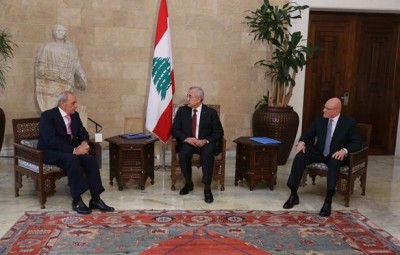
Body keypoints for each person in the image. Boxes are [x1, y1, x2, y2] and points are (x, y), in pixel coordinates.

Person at [37, 91, 114, 214]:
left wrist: (84, 143)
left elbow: (83, 132)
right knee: (72, 159)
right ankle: (77, 200)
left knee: (90, 159)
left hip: (69, 152)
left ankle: (95, 199)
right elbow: (50, 141)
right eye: (73, 103)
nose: (76, 105)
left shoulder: (75, 115)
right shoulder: (48, 116)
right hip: (50, 152)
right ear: (63, 103)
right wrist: (74, 150)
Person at [283, 97, 362, 216]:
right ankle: (293, 194)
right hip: (319, 153)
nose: (323, 110)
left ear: (336, 110)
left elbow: (357, 143)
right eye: (324, 107)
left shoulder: (348, 123)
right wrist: (301, 142)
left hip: (336, 155)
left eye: (327, 108)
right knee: (300, 156)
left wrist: (344, 150)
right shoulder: (320, 121)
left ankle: (328, 201)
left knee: (335, 161)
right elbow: (308, 134)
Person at [172, 86, 224, 203]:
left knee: (207, 154)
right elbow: (175, 130)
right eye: (188, 96)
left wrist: (206, 140)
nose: (187, 99)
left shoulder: (210, 112)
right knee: (184, 153)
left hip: (205, 142)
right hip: (189, 142)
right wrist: (186, 138)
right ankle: (188, 183)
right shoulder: (182, 111)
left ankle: (207, 188)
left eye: (190, 96)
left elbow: (219, 131)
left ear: (199, 99)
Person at [35, 24, 88, 126]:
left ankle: (67, 130)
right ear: (54, 33)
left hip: (66, 82)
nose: (59, 32)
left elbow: (76, 64)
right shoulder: (47, 47)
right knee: (53, 110)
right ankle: (57, 128)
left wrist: (81, 74)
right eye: (57, 30)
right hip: (51, 83)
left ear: (66, 33)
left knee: (68, 106)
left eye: (62, 30)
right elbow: (41, 64)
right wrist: (43, 71)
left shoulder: (71, 48)